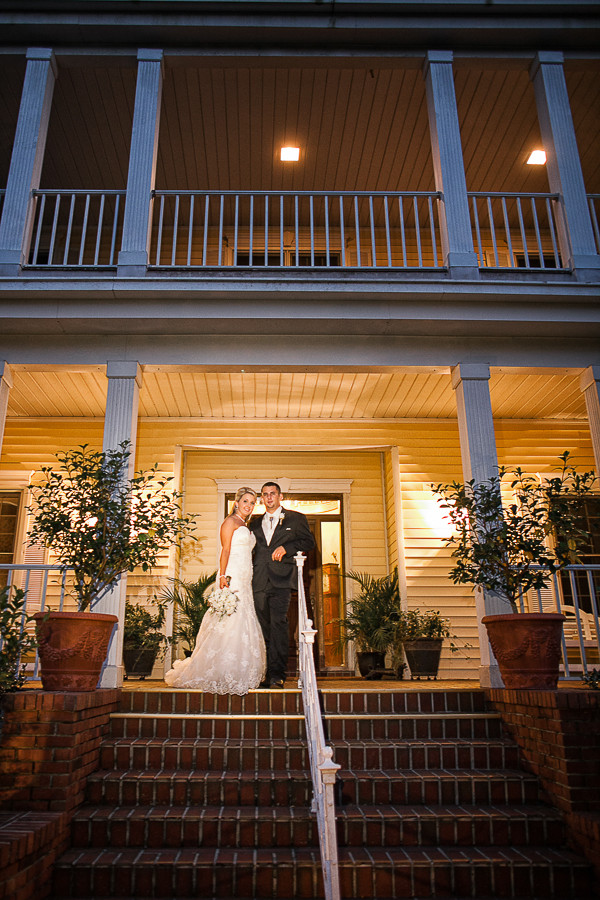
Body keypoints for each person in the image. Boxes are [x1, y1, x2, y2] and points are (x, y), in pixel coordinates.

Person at [164, 487, 266, 694]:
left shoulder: (244, 524)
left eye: (252, 502)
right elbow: (226, 550)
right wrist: (222, 576)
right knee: (229, 619)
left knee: (243, 618)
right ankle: (220, 669)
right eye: (245, 501)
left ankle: (239, 670)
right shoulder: (229, 522)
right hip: (233, 575)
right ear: (236, 503)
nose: (249, 505)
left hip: (247, 577)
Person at [249, 482, 315, 688]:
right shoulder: (253, 523)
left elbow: (309, 543)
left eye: (272, 494)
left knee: (278, 625)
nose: (269, 498)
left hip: (281, 580)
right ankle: (263, 672)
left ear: (280, 496)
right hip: (257, 580)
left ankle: (277, 674)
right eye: (265, 495)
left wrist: (287, 547)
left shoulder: (296, 519)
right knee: (261, 628)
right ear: (261, 498)